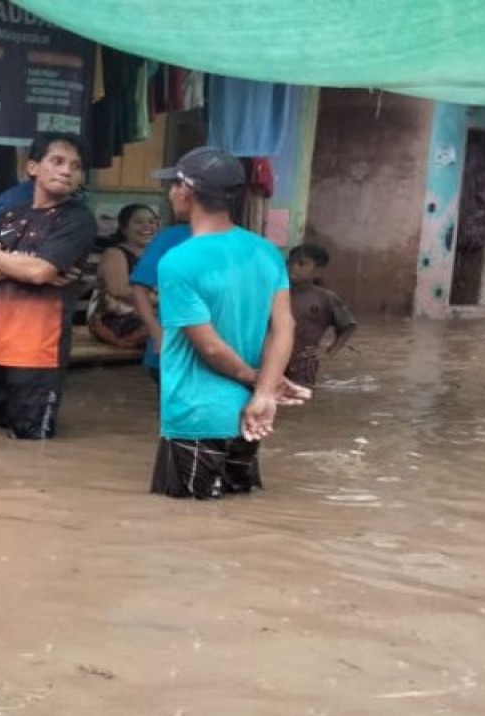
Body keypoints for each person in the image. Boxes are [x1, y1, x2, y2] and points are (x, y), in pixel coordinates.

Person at [149, 147, 304, 500]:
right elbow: (284, 327)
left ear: (186, 191)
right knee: (234, 516)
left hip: (194, 416)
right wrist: (265, 391)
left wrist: (260, 382)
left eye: (173, 184)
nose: (171, 192)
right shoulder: (266, 251)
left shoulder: (178, 261)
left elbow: (209, 348)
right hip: (248, 415)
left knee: (185, 525)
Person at [0, 133, 97, 440]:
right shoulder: (8, 214)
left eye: (76, 167)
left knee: (32, 441)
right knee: (3, 432)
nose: (67, 171)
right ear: (33, 167)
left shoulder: (77, 220)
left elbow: (39, 272)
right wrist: (15, 264)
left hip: (39, 352)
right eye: (58, 161)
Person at [129, 216, 194, 384]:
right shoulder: (172, 237)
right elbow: (139, 287)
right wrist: (157, 334)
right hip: (173, 348)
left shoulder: (246, 243)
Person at [87, 204, 158, 348]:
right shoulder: (115, 253)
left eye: (151, 222)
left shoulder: (158, 254)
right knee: (165, 330)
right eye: (138, 222)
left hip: (150, 311)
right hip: (115, 317)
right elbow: (118, 290)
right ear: (124, 228)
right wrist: (160, 300)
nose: (147, 227)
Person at [285, 244, 357, 387]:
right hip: (270, 358)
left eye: (301, 264)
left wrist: (329, 352)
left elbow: (349, 325)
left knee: (300, 398)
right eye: (290, 262)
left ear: (317, 270)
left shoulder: (325, 298)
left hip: (302, 364)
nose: (293, 267)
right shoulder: (277, 293)